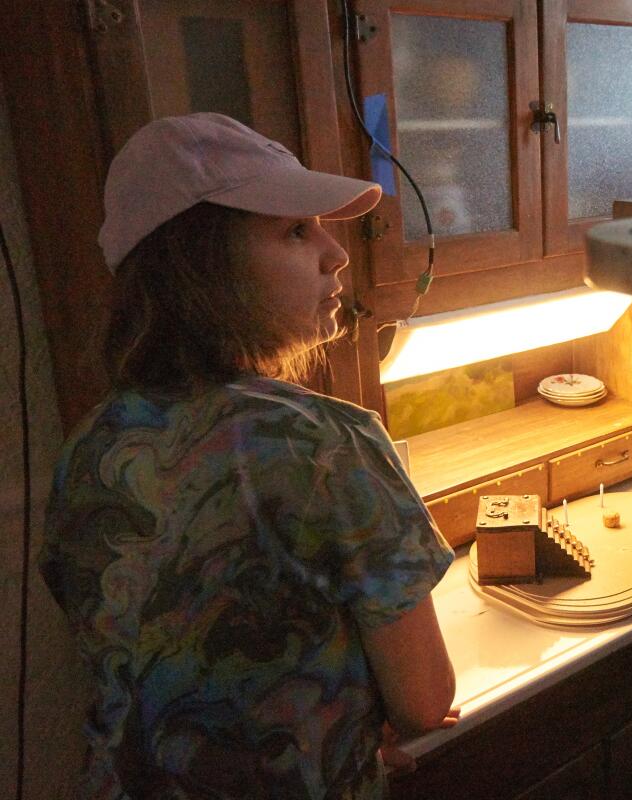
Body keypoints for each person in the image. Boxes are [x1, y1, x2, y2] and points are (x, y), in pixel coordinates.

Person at [39, 112, 458, 799]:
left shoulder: (88, 449)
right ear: (204, 264)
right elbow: (424, 700)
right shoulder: (328, 443)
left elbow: (137, 666)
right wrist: (361, 716)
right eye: (296, 230)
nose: (336, 253)